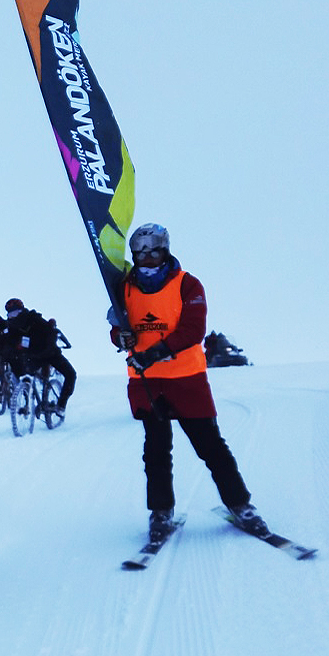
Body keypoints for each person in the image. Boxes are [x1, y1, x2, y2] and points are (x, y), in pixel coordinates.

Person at [109, 223, 267, 541]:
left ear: (165, 251)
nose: (147, 259)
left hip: (187, 380)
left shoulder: (187, 284)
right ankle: (161, 512)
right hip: (147, 381)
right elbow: (118, 328)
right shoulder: (124, 288)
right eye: (140, 253)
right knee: (155, 450)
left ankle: (240, 505)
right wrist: (121, 336)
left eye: (154, 252)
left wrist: (153, 353)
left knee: (210, 446)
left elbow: (193, 330)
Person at [0, 297, 77, 416]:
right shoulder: (12, 327)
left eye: (15, 313)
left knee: (71, 374)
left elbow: (50, 334)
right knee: (25, 376)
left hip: (50, 353)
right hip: (33, 356)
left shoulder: (34, 319)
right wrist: (10, 353)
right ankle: (26, 402)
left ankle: (61, 405)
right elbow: (9, 343)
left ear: (22, 310)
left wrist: (48, 349)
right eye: (10, 315)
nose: (13, 317)